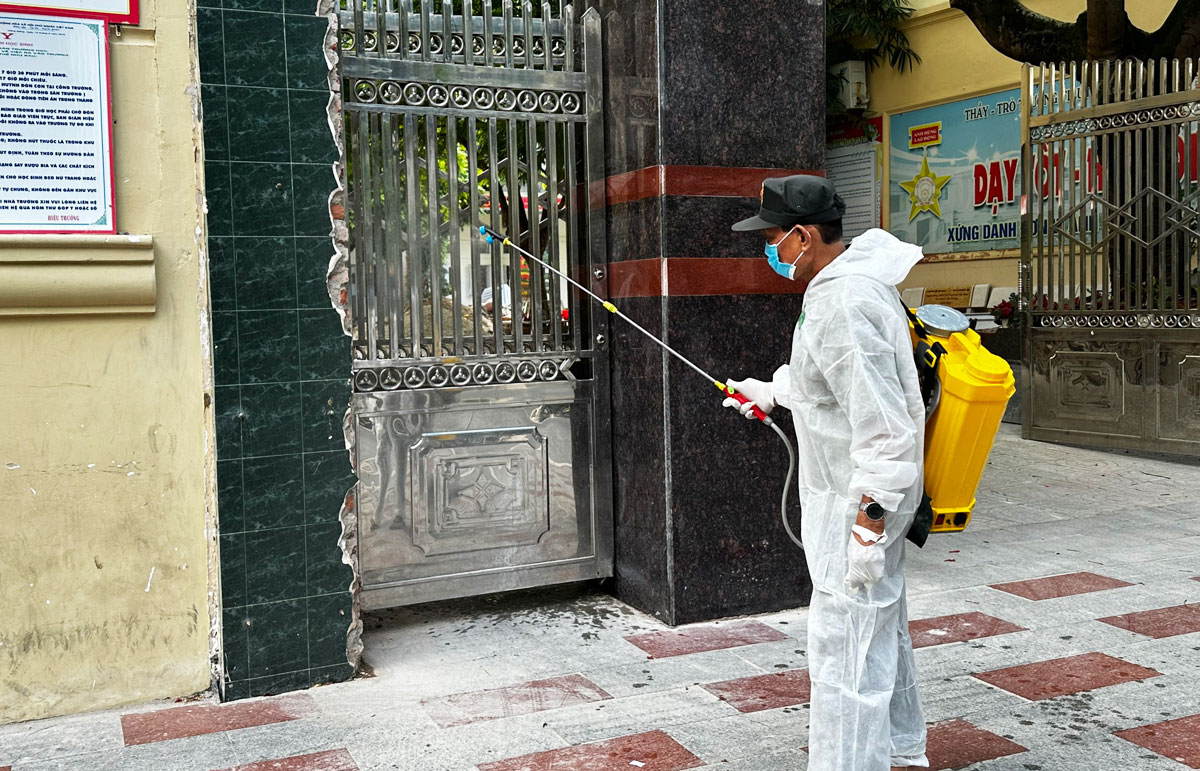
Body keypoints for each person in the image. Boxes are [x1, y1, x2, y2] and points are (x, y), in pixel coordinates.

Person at [725, 175, 929, 771]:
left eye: (772, 239)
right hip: (853, 497)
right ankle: (901, 748)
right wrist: (770, 392)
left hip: (858, 504)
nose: (768, 250)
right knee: (879, 628)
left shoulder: (843, 301)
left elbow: (885, 427)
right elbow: (828, 387)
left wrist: (868, 524)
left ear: (803, 235)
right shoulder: (839, 290)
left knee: (846, 648)